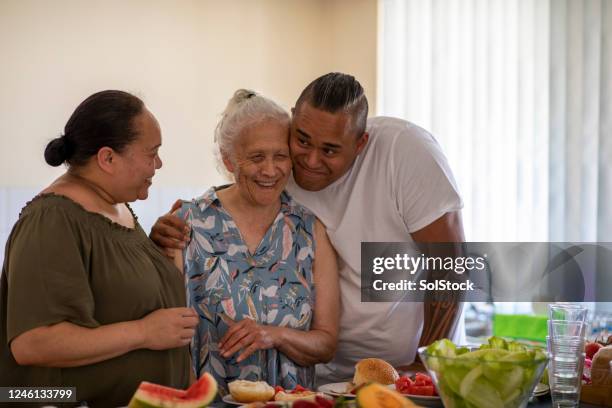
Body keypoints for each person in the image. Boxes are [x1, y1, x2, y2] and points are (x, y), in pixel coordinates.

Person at [151, 73, 465, 385]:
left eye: (329, 151)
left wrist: (427, 364)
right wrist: (177, 224)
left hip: (398, 370)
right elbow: (245, 184)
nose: (310, 161)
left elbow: (453, 266)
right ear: (293, 121)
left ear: (360, 144)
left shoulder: (404, 151)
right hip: (318, 379)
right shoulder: (280, 168)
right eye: (302, 141)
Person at [0, 90, 198, 407]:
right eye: (152, 153)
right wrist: (143, 332)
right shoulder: (51, 220)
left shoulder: (118, 210)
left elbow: (125, 294)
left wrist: (163, 251)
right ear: (107, 158)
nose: (159, 164)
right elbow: (33, 343)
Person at [171, 90, 339, 395]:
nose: (270, 170)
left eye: (280, 156)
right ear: (229, 160)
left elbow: (326, 343)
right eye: (256, 157)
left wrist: (274, 335)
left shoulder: (310, 230)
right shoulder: (188, 223)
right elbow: (165, 333)